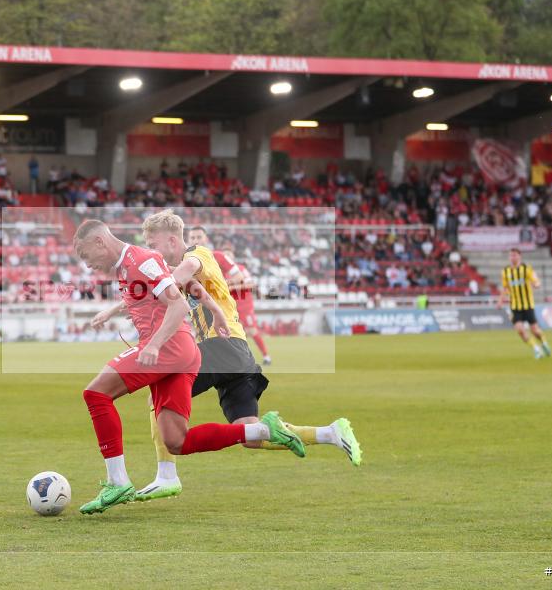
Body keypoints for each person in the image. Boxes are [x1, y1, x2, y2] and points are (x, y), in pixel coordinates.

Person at [123, 211, 360, 500]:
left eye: (152, 243)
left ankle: (167, 476)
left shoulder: (198, 255)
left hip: (219, 347)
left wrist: (152, 287)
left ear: (172, 240)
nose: (150, 250)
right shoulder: (183, 281)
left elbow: (186, 270)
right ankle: (329, 433)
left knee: (157, 396)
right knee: (251, 433)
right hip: (236, 352)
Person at [73, 219, 304, 515]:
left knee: (96, 394)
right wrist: (217, 312)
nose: (86, 264)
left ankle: (117, 482)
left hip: (169, 350)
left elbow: (178, 305)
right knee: (176, 441)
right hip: (178, 353)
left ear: (99, 243)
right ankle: (261, 431)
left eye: (85, 255)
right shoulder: (132, 264)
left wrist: (154, 344)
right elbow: (187, 286)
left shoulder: (138, 261)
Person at [188, 226, 272, 365]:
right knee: (201, 335)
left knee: (244, 331)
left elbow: (247, 282)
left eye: (199, 237)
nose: (196, 240)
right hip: (202, 305)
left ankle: (264, 356)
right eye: (193, 237)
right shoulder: (185, 259)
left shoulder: (224, 261)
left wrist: (225, 285)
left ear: (206, 239)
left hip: (238, 305)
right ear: (188, 239)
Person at [497, 248, 551, 360]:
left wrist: (536, 284)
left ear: (519, 256)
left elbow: (536, 280)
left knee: (535, 331)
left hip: (528, 305)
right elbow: (505, 288)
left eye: (515, 255)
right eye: (511, 256)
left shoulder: (527, 269)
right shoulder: (505, 272)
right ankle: (536, 349)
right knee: (520, 330)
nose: (513, 258)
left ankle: (544, 343)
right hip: (515, 306)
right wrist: (500, 301)